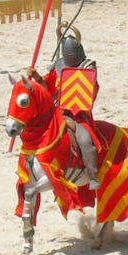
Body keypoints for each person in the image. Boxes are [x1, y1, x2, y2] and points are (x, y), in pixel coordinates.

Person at [26, 26, 100, 190]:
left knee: (85, 140)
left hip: (77, 115)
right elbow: (48, 87)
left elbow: (91, 92)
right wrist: (37, 77)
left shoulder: (87, 68)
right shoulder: (59, 67)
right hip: (56, 112)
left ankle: (92, 174)